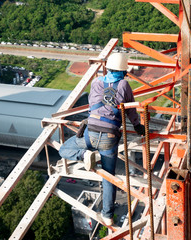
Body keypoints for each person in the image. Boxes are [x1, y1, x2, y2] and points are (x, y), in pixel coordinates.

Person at [59, 53, 145, 226]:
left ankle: (83, 155)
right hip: (110, 136)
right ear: (123, 71)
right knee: (108, 178)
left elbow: (93, 105)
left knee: (64, 149)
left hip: (90, 133)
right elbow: (130, 110)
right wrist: (137, 126)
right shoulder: (124, 84)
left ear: (108, 67)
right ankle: (107, 215)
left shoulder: (97, 82)